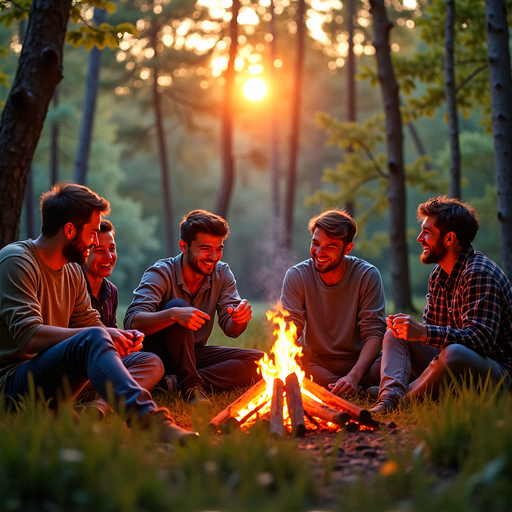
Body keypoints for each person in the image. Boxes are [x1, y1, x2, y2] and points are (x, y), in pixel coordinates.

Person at [0, 182, 197, 444]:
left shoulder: (72, 270)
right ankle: (150, 421)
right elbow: (29, 336)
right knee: (93, 336)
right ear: (69, 230)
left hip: (52, 377)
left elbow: (90, 323)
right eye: (92, 233)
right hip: (12, 384)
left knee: (141, 357)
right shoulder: (16, 261)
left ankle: (74, 410)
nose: (94, 242)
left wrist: (115, 336)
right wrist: (98, 334)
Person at [369, 196, 512, 414]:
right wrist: (412, 331)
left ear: (449, 238)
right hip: (450, 365)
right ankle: (387, 399)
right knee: (395, 333)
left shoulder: (480, 273)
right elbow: (433, 339)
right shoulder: (439, 275)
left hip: (497, 374)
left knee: (454, 353)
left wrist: (423, 331)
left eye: (426, 232)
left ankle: (403, 400)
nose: (419, 238)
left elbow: (480, 341)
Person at [124, 209, 264, 405]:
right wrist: (172, 315)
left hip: (191, 354)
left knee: (262, 363)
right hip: (155, 357)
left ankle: (172, 382)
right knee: (177, 305)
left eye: (219, 248)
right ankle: (190, 388)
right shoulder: (161, 273)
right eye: (206, 249)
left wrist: (238, 319)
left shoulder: (222, 273)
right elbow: (132, 322)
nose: (214, 256)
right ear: (184, 246)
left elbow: (232, 330)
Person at [280, 209, 386, 396]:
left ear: (347, 249)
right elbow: (290, 329)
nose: (319, 252)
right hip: (316, 363)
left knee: (394, 361)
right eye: (315, 243)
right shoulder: (297, 275)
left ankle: (347, 385)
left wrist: (353, 375)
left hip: (361, 363)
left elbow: (374, 333)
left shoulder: (367, 275)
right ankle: (358, 390)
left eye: (330, 247)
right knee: (290, 362)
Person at [80, 220, 163, 418]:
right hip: (77, 366)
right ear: (84, 253)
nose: (108, 256)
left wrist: (124, 341)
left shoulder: (111, 291)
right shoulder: (71, 286)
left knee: (153, 363)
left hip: (103, 364)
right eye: (99, 250)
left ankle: (101, 404)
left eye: (112, 248)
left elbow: (111, 337)